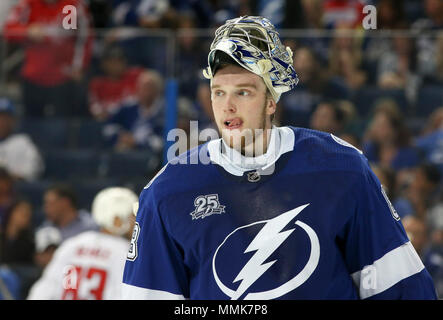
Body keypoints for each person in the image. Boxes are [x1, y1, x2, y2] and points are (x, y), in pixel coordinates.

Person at [122, 16, 437, 300]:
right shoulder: (167, 191)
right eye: (219, 92)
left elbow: (399, 286)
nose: (227, 106)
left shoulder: (342, 166)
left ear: (271, 101)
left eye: (243, 92)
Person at [27, 187, 138, 300]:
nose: (136, 222)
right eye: (132, 216)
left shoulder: (72, 244)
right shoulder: (127, 253)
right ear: (117, 219)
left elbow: (44, 290)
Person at [3, 0, 93, 117]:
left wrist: (78, 66)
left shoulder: (73, 5)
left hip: (63, 77)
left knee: (60, 124)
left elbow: (85, 38)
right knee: (33, 124)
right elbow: (8, 29)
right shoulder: (28, 4)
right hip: (33, 77)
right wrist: (27, 31)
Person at [0, 98, 44, 181]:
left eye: (5, 118)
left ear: (13, 120)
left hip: (14, 190)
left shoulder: (23, 142)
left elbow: (33, 170)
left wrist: (8, 178)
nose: (2, 122)